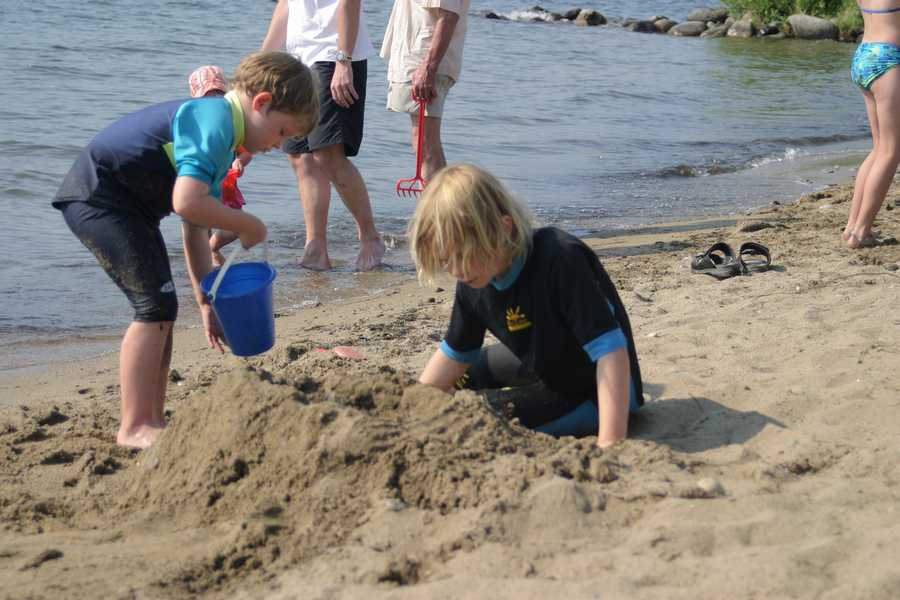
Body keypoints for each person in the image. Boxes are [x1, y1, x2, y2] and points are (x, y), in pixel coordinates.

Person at [52, 51, 319, 449]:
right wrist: (248, 224)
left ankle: (153, 418)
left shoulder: (225, 137)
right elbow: (187, 202)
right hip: (99, 199)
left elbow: (195, 227)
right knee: (153, 308)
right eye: (281, 132)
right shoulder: (214, 120)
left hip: (130, 208)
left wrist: (206, 301)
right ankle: (134, 425)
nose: (277, 146)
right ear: (262, 103)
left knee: (164, 308)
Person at [409, 164, 643, 448]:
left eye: (464, 255)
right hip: (542, 360)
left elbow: (610, 351)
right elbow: (456, 354)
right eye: (447, 260)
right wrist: (416, 406)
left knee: (474, 414)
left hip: (589, 389)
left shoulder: (560, 258)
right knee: (466, 375)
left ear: (503, 227)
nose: (457, 270)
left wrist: (610, 442)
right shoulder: (473, 278)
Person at [261, 0, 385, 271]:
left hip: (333, 56)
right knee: (300, 156)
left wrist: (344, 60)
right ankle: (315, 247)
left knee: (328, 155)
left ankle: (370, 238)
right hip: (298, 59)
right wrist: (264, 60)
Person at [381, 0, 470, 184]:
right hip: (414, 58)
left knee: (425, 144)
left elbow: (449, 16)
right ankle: (439, 201)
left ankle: (437, 202)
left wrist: (428, 67)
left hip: (424, 62)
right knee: (424, 143)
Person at [188, 65, 256, 266]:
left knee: (237, 226)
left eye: (218, 95)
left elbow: (246, 152)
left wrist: (239, 161)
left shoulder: (231, 122)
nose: (214, 101)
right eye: (208, 96)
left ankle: (211, 248)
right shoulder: (192, 121)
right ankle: (210, 257)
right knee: (203, 226)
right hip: (202, 182)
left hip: (227, 184)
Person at [846, 2, 900, 248]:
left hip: (864, 55)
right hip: (888, 59)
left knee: (879, 149)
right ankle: (861, 232)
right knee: (891, 152)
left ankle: (852, 228)